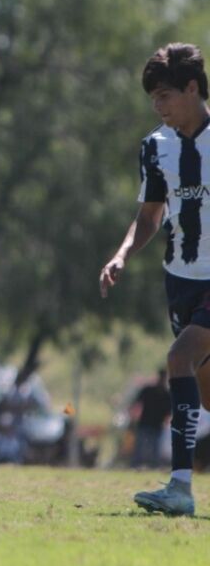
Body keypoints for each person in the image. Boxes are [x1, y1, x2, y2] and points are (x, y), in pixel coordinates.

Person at [100, 42, 210, 517]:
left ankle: (179, 487)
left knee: (177, 358)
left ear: (192, 88)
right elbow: (150, 215)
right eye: (152, 100)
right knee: (204, 388)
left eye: (165, 96)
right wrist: (123, 253)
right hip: (179, 279)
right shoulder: (155, 147)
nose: (158, 107)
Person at [131, 370, 170, 469]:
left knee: (153, 448)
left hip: (156, 424)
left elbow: (168, 412)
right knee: (141, 447)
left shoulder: (166, 394)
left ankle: (152, 466)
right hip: (145, 423)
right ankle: (137, 465)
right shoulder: (149, 390)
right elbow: (136, 403)